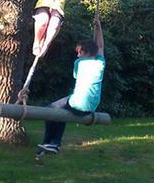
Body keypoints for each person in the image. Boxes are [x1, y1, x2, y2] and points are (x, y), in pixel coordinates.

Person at [37, 16, 105, 154]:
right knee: (59, 109)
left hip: (78, 103)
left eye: (81, 52)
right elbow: (101, 46)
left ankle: (52, 143)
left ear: (88, 53)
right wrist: (98, 28)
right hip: (91, 105)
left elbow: (77, 73)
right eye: (78, 52)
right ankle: (51, 145)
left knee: (51, 109)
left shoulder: (78, 63)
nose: (78, 55)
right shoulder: (100, 63)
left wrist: (97, 28)